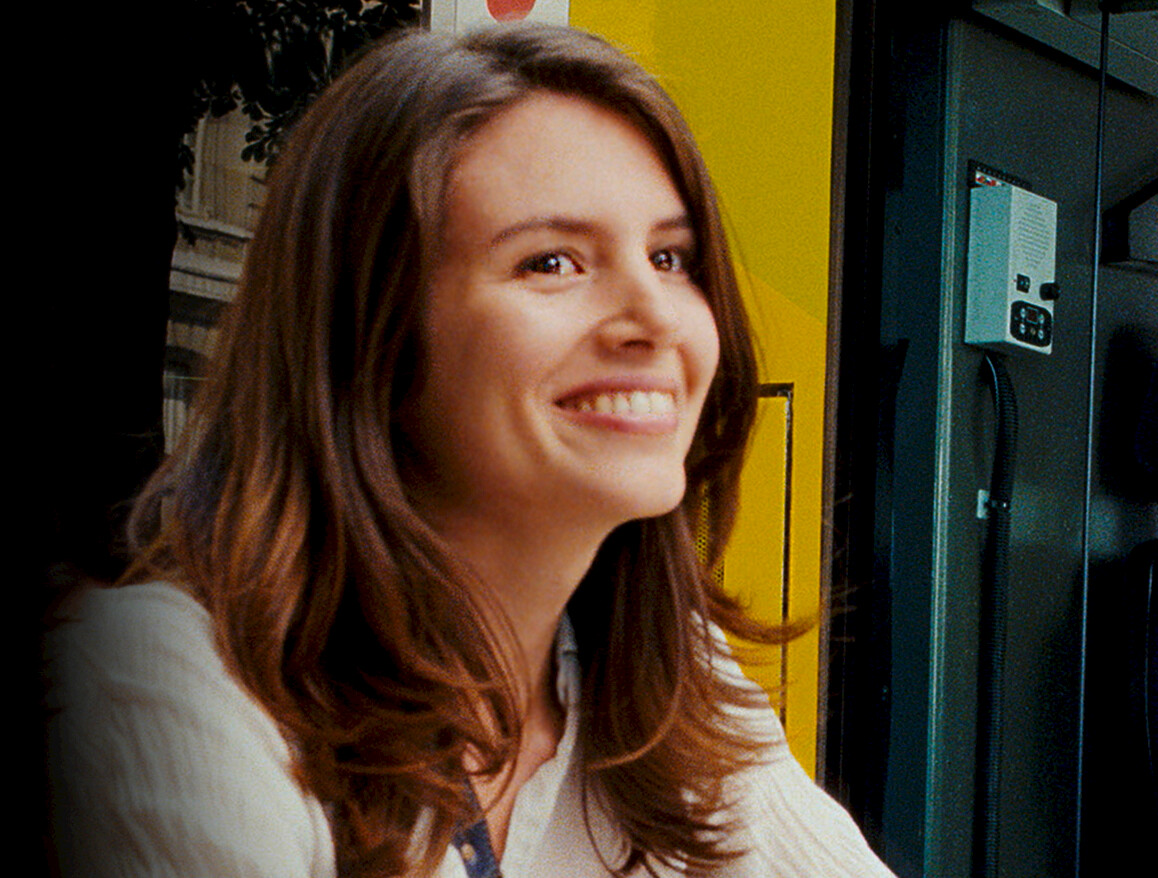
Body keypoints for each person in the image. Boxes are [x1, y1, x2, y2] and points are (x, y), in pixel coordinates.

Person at [45, 24, 894, 878]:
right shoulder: (163, 682)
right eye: (551, 262)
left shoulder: (668, 686)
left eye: (671, 258)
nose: (656, 317)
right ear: (372, 339)